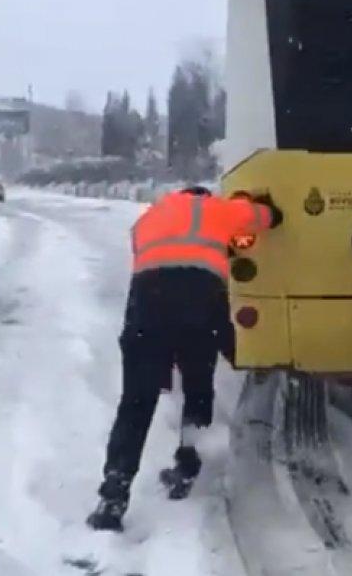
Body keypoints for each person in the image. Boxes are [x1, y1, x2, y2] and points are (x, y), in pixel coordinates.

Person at [87, 186, 282, 531]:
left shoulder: (148, 218)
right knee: (197, 386)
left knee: (136, 401)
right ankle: (187, 466)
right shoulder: (217, 209)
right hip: (200, 301)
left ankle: (113, 495)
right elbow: (268, 217)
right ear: (205, 197)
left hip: (147, 303)